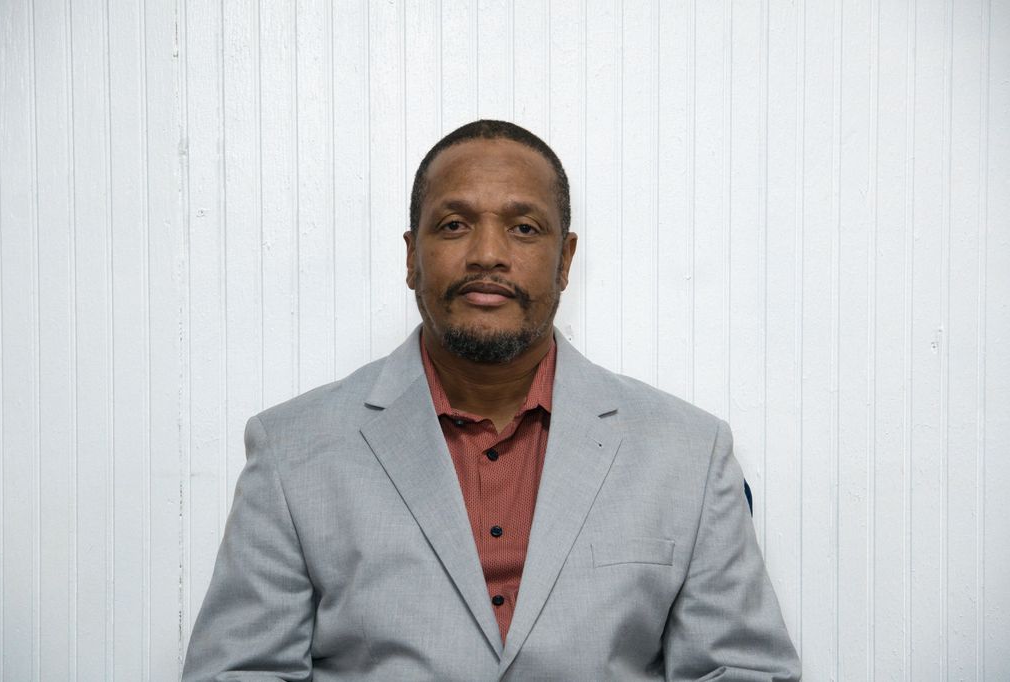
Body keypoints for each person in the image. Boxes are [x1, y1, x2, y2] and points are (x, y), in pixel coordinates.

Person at [182, 120, 800, 681]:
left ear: (565, 260)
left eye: (524, 228)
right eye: (454, 225)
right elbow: (239, 672)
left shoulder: (689, 453)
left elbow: (742, 670)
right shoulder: (292, 451)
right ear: (411, 257)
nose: (487, 254)